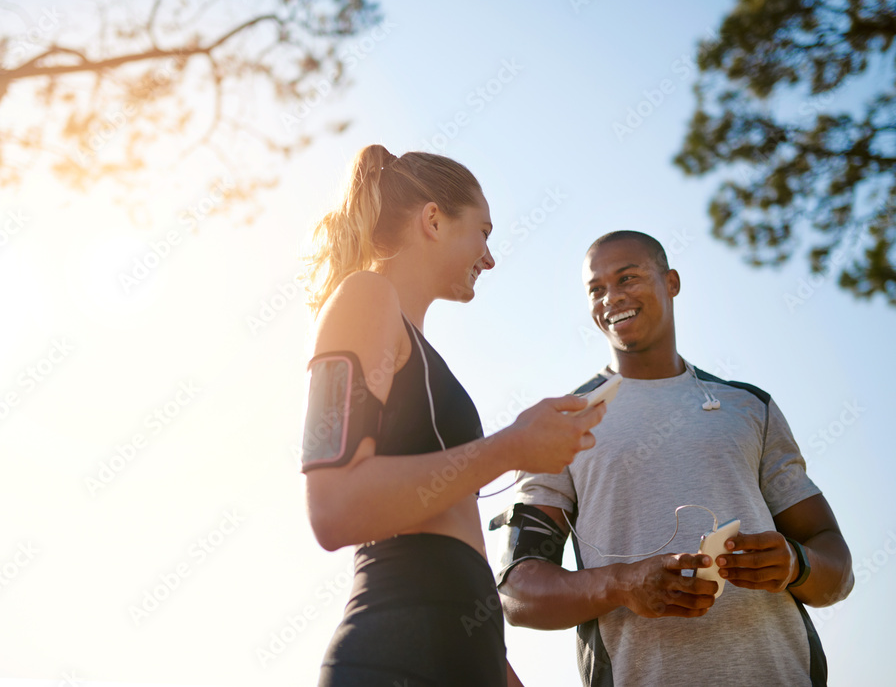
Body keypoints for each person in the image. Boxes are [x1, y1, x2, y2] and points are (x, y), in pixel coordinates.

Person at [300, 144, 606, 687]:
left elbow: (454, 541)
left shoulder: (424, 352)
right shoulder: (364, 297)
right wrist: (512, 446)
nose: (489, 258)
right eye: (483, 233)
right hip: (394, 656)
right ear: (434, 220)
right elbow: (334, 506)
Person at [494, 230, 854, 687]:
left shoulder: (751, 407)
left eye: (628, 278)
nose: (612, 298)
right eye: (596, 289)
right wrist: (623, 584)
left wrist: (794, 563)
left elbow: (836, 565)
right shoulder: (564, 422)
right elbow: (517, 591)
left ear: (672, 282)